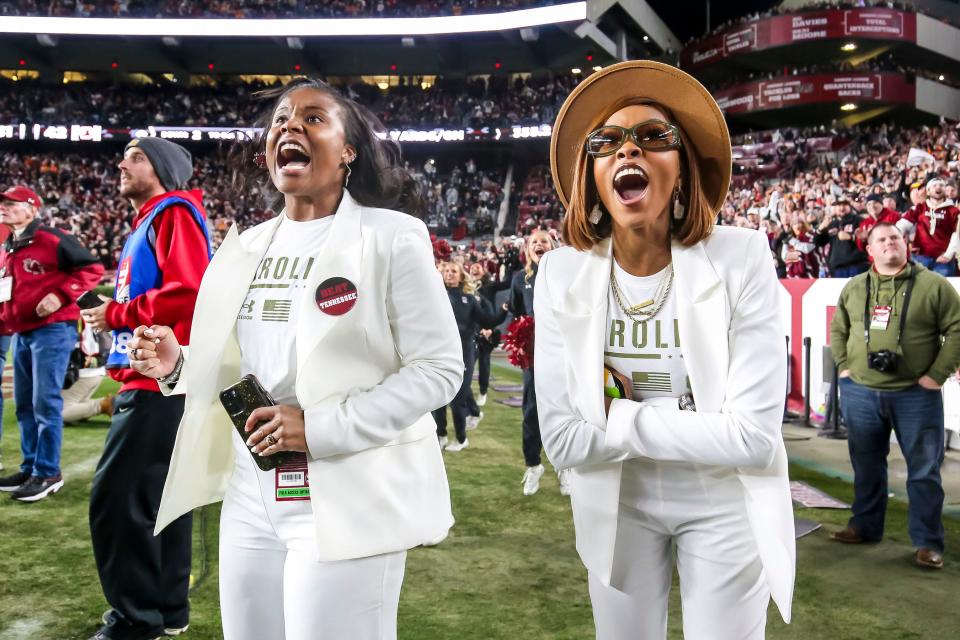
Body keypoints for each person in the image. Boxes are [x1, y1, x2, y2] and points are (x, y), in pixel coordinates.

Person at [125, 77, 462, 640]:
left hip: (349, 490)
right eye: (281, 119)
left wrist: (320, 428)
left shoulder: (391, 236)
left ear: (348, 149)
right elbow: (237, 368)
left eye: (313, 118)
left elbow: (440, 369)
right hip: (252, 492)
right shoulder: (246, 245)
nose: (290, 127)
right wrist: (178, 363)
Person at [535, 60, 794, 638]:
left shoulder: (742, 257)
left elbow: (753, 439)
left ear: (681, 170)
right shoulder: (558, 273)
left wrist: (618, 416)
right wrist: (699, 424)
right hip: (615, 502)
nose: (630, 150)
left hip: (724, 499)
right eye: (608, 141)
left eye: (654, 137)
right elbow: (563, 440)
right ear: (592, 173)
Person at [80, 137, 212, 640]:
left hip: (157, 380)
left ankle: (137, 620)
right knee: (161, 501)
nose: (121, 163)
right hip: (160, 379)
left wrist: (114, 313)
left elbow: (187, 291)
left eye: (135, 156)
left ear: (161, 168)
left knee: (118, 500)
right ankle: (166, 610)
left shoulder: (172, 212)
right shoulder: (157, 219)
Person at [830, 222, 960, 570]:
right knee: (867, 464)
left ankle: (928, 542)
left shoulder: (934, 285)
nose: (889, 243)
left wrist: (937, 375)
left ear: (906, 245)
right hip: (860, 391)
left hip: (915, 396)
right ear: (870, 250)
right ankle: (865, 526)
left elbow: (957, 327)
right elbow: (839, 327)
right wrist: (843, 365)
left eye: (895, 238)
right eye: (881, 240)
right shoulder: (855, 287)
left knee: (923, 471)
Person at [0, 185, 104, 501]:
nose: (4, 207)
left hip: (52, 330)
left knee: (45, 402)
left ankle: (48, 472)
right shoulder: (9, 244)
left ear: (32, 208)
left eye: (12, 203)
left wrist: (60, 296)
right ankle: (31, 467)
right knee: (25, 405)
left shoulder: (51, 238)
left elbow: (92, 269)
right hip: (23, 332)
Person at [433, 261, 504, 451]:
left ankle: (462, 438)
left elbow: (488, 320)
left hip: (464, 353)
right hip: (440, 353)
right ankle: (440, 435)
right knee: (436, 397)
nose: (449, 274)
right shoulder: (435, 297)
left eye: (454, 271)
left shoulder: (470, 299)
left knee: (457, 399)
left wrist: (504, 311)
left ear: (461, 275)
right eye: (446, 271)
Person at [507, 229, 557, 496]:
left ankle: (566, 465)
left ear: (554, 246)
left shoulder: (565, 274)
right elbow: (516, 313)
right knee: (531, 409)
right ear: (528, 250)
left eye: (544, 241)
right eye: (534, 242)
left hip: (562, 350)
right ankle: (533, 464)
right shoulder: (519, 279)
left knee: (566, 406)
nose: (539, 244)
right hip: (535, 352)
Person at [897, 176, 959, 277]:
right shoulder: (919, 208)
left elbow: (957, 234)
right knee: (918, 288)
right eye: (934, 185)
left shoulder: (954, 211)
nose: (938, 187)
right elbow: (902, 226)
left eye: (942, 185)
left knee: (943, 289)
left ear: (945, 191)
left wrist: (948, 254)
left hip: (943, 259)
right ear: (928, 192)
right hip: (920, 257)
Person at [61, 320, 113, 424]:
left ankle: (106, 404)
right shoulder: (90, 308)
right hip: (95, 370)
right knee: (78, 406)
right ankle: (86, 408)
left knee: (56, 413)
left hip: (82, 372)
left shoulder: (72, 312)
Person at [815, 197, 868, 277]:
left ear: (849, 206)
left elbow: (868, 239)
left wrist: (851, 237)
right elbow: (818, 243)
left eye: (844, 204)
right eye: (839, 205)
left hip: (858, 264)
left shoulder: (858, 220)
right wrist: (821, 229)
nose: (842, 207)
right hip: (837, 267)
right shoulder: (831, 224)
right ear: (835, 208)